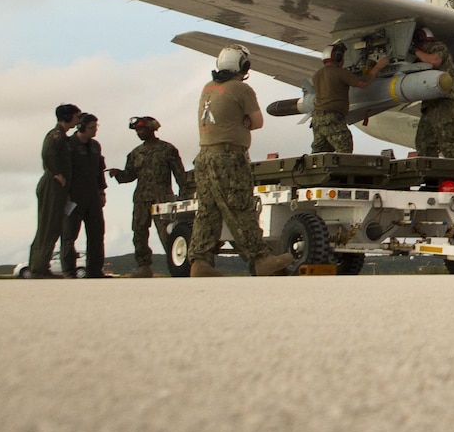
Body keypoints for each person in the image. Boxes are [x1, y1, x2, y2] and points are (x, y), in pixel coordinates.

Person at [189, 45, 293, 277]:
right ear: (243, 66)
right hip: (229, 157)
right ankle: (261, 259)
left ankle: (199, 262)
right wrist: (243, 119)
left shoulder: (208, 88)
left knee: (208, 210)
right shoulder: (242, 89)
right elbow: (257, 122)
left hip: (204, 156)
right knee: (241, 207)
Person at [109, 116, 193, 278]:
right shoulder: (135, 153)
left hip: (162, 198)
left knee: (167, 232)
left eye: (142, 129)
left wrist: (184, 193)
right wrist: (118, 174)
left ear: (152, 129)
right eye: (137, 131)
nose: (139, 133)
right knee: (139, 232)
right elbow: (130, 175)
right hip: (141, 198)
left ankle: (177, 264)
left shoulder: (167, 149)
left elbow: (180, 174)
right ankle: (144, 267)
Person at [27, 104, 80, 278]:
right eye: (76, 116)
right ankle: (38, 268)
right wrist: (57, 173)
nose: (78, 120)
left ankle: (41, 266)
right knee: (47, 226)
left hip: (59, 187)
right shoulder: (55, 136)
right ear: (67, 117)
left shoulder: (63, 137)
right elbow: (48, 154)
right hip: (52, 185)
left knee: (54, 226)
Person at [310, 43, 383, 154]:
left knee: (319, 154)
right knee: (344, 149)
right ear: (338, 57)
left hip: (317, 119)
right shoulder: (340, 72)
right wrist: (378, 67)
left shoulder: (317, 74)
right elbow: (363, 83)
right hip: (332, 118)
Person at [60, 114, 109, 278]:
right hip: (73, 196)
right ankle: (68, 271)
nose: (95, 130)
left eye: (96, 126)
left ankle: (94, 270)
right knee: (69, 235)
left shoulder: (95, 146)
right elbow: (64, 170)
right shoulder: (68, 145)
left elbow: (99, 171)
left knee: (97, 234)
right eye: (91, 127)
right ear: (81, 127)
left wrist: (102, 191)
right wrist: (64, 194)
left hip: (93, 196)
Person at [411, 29, 454, 159]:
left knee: (448, 143)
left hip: (445, 103)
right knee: (423, 143)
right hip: (430, 106)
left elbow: (435, 60)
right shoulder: (422, 58)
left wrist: (414, 51)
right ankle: (431, 174)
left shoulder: (438, 47)